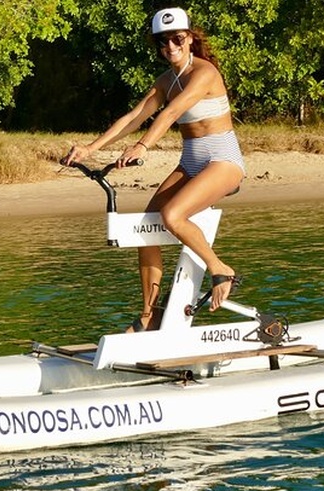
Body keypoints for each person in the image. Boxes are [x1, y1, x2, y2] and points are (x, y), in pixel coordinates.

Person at [63, 7, 245, 332]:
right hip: (191, 162)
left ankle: (221, 269)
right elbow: (134, 117)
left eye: (177, 39)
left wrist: (143, 146)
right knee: (146, 229)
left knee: (172, 216)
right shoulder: (166, 80)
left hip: (223, 161)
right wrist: (90, 149)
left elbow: (172, 112)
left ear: (190, 38)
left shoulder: (204, 73)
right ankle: (150, 315)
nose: (170, 47)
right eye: (163, 42)